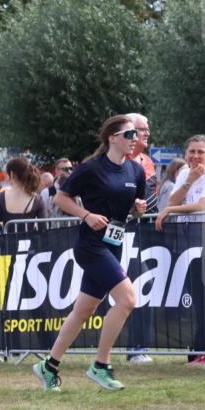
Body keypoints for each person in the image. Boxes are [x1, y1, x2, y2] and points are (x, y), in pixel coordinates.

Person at [32, 115, 147, 392]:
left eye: (137, 134)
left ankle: (48, 366)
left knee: (83, 310)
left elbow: (132, 207)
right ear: (113, 138)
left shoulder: (136, 171)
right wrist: (86, 215)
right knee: (128, 299)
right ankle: (101, 365)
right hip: (91, 246)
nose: (135, 139)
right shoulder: (91, 168)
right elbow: (61, 197)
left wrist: (137, 210)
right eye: (129, 134)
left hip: (114, 244)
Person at [155, 135, 205, 367]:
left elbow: (201, 206)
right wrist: (189, 181)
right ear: (186, 153)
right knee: (200, 301)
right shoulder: (185, 174)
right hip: (192, 246)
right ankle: (202, 351)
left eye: (201, 152)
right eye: (192, 152)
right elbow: (172, 201)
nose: (196, 156)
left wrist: (170, 211)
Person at [125, 113, 158, 364]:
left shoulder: (147, 161)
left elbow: (150, 201)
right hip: (117, 232)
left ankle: (139, 347)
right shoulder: (116, 159)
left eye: (147, 129)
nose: (146, 133)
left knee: (142, 285)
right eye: (141, 129)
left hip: (142, 233)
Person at [0, 156, 48, 229]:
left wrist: (3, 227)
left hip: (8, 240)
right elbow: (43, 228)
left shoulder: (1, 197)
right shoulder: (37, 199)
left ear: (11, 174)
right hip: (30, 240)